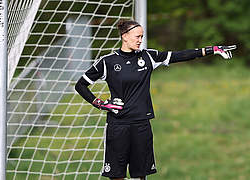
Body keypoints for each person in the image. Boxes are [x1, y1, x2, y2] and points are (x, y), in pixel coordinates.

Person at [75, 20, 237, 180]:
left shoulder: (148, 57)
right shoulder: (108, 62)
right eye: (137, 36)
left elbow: (179, 55)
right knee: (117, 176)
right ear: (124, 36)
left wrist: (211, 49)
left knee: (140, 175)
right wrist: (100, 104)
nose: (140, 40)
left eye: (142, 37)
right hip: (118, 126)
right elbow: (81, 85)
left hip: (142, 124)